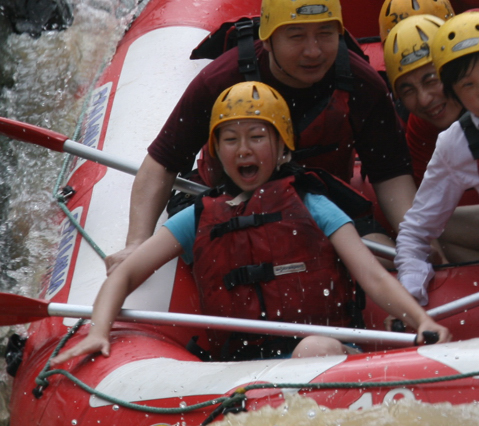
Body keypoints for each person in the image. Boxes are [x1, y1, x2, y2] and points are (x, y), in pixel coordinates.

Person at [51, 82, 450, 366]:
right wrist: (99, 330)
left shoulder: (314, 205)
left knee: (313, 349)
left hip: (325, 351)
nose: (243, 149)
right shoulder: (198, 217)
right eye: (229, 139)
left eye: (257, 136)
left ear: (281, 150)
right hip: (240, 369)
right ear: (216, 152)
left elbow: (373, 278)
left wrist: (422, 321)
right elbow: (125, 275)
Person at [105, 0, 418, 275]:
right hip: (230, 207)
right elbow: (162, 164)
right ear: (268, 40)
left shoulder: (362, 83)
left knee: (382, 253)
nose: (313, 51)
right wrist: (137, 244)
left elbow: (390, 173)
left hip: (320, 208)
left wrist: (414, 243)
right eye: (297, 36)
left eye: (325, 34)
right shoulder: (221, 79)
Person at [395, 11, 479, 306]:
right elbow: (415, 233)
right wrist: (411, 291)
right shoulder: (455, 143)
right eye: (469, 84)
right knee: (442, 227)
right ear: (455, 93)